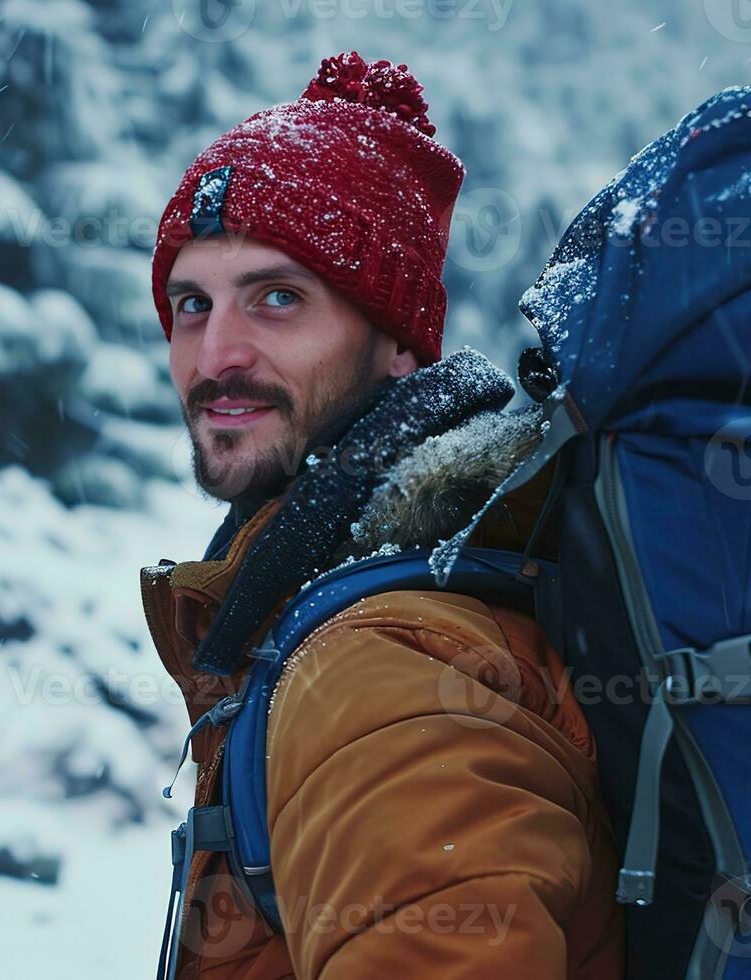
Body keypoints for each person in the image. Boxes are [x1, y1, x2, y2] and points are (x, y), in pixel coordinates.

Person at [142, 51, 623, 979]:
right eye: (190, 304)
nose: (215, 354)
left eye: (277, 298)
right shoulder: (375, 590)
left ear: (399, 341)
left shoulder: (382, 674)